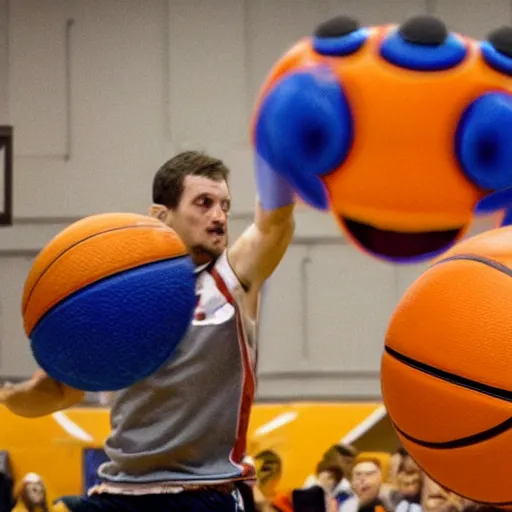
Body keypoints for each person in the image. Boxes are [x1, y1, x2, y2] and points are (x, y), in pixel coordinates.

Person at [0, 150, 296, 511]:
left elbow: (273, 224)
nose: (219, 217)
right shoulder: (118, 295)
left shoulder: (231, 280)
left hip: (202, 493)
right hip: (120, 491)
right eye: (204, 203)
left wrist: (281, 152)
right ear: (161, 215)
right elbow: (62, 391)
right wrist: (14, 395)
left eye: (225, 206)